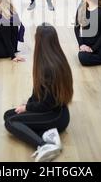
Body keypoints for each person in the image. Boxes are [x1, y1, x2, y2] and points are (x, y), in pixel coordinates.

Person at [4, 23, 73, 162]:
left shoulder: (49, 67)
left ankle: (44, 145)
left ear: (39, 42)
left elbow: (46, 104)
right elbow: (37, 94)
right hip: (54, 111)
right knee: (9, 115)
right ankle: (49, 134)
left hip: (56, 116)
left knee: (10, 122)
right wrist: (28, 106)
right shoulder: (51, 59)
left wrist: (28, 108)